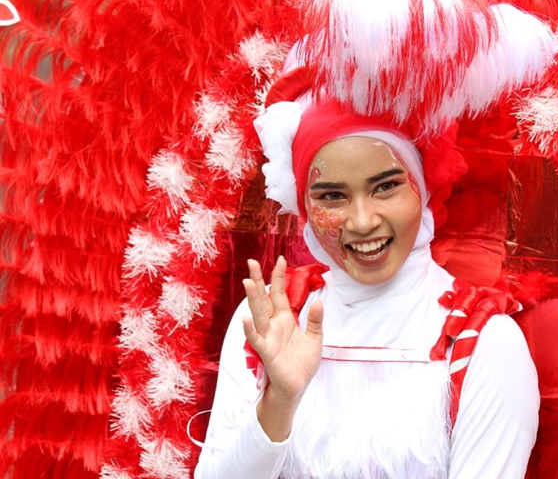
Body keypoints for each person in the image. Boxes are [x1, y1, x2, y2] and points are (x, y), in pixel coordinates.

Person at [193, 98, 540, 478]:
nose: (361, 221)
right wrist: (279, 400)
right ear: (305, 205)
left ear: (422, 189)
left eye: (385, 187)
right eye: (332, 196)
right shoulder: (268, 322)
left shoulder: (483, 343)